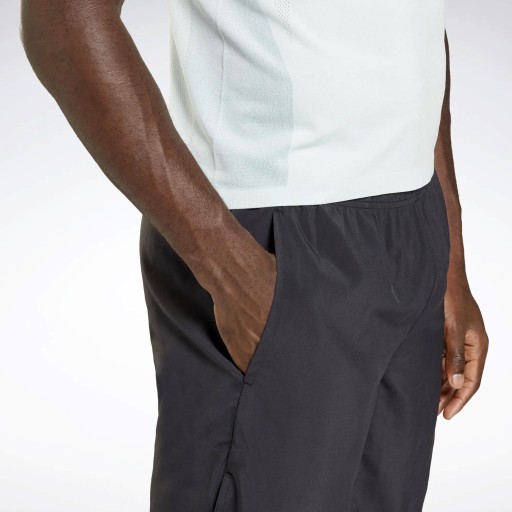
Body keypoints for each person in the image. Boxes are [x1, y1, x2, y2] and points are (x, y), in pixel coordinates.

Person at [20, 0, 489, 510]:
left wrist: (450, 262)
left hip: (414, 220)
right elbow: (60, 19)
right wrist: (230, 271)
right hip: (272, 239)